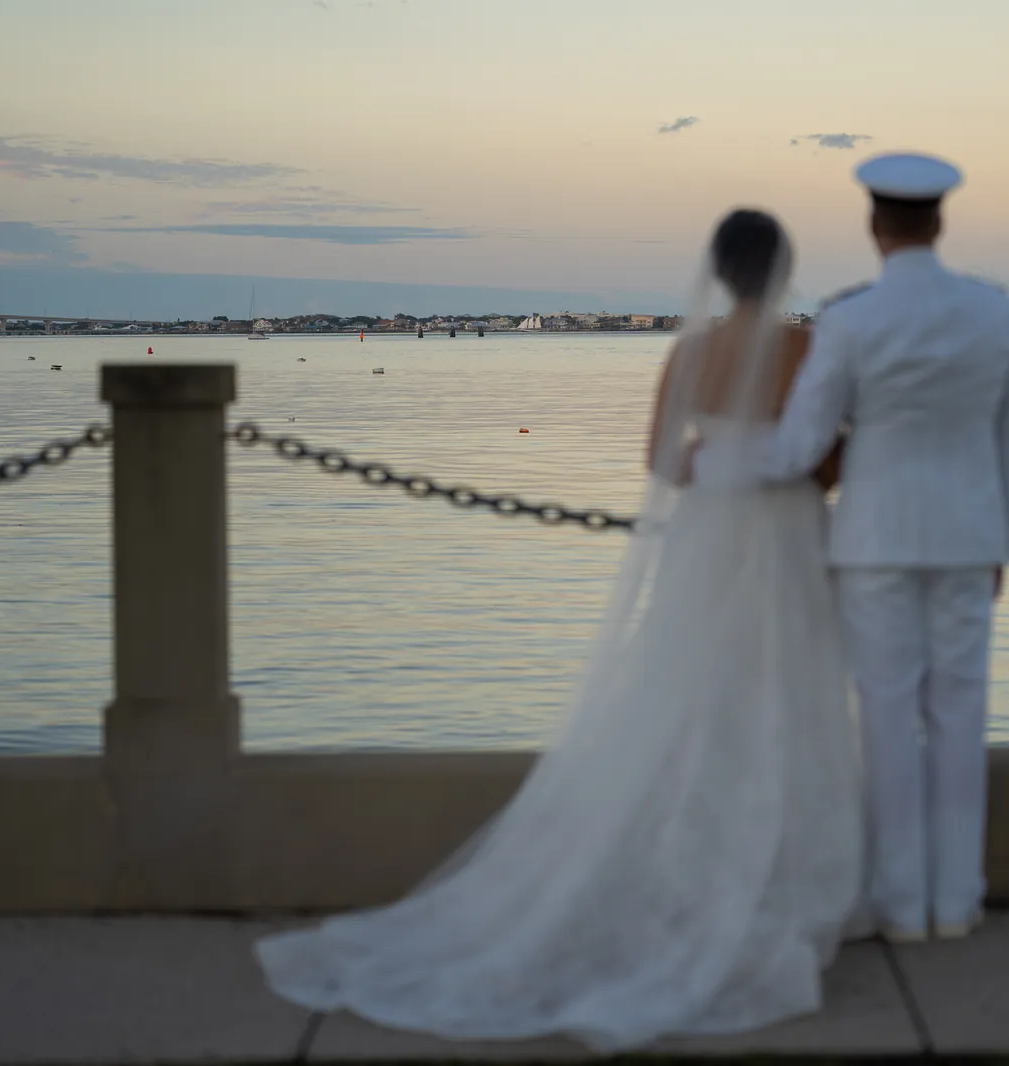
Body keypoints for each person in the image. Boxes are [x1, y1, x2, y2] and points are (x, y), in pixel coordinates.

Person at [255, 209, 863, 1053]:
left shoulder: (690, 351)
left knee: (687, 700)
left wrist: (709, 459)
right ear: (785, 266)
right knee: (784, 695)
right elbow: (825, 454)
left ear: (719, 274)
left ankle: (689, 879)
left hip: (709, 537)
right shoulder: (807, 347)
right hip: (788, 534)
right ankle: (779, 884)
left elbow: (658, 460)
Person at [695, 152, 1009, 942]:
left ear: (874, 225)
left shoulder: (849, 320)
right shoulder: (995, 313)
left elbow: (796, 449)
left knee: (886, 714)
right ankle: (957, 901)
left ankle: (900, 904)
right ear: (939, 222)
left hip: (874, 538)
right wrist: (1002, 541)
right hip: (967, 538)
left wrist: (711, 461)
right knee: (960, 713)